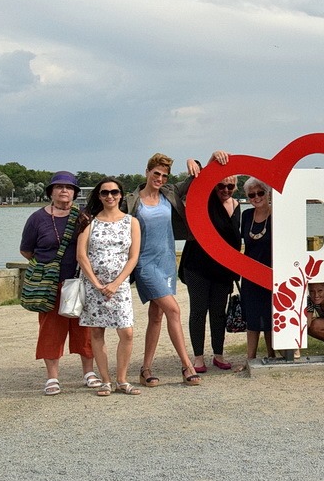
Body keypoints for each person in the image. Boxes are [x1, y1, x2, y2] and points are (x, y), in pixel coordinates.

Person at [126, 150, 228, 387]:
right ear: (147, 172)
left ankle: (146, 369)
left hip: (167, 262)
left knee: (156, 316)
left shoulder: (169, 193)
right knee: (174, 310)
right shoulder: (133, 201)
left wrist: (198, 160)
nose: (160, 179)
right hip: (145, 264)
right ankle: (187, 365)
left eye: (164, 175)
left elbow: (198, 179)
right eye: (156, 173)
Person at [19, 171, 99, 396]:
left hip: (78, 281)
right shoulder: (37, 218)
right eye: (59, 187)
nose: (64, 190)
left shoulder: (83, 217)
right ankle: (52, 377)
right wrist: (49, 267)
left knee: (84, 328)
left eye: (69, 187)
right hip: (50, 284)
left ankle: (89, 372)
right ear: (51, 192)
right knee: (50, 330)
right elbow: (26, 250)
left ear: (74, 192)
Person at [77, 178, 142, 396]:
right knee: (97, 332)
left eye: (114, 192)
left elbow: (133, 257)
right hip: (94, 286)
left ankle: (122, 380)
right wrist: (96, 284)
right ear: (99, 196)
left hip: (120, 286)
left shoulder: (131, 222)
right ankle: (105, 380)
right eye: (105, 193)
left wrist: (116, 283)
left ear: (121, 195)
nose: (110, 196)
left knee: (127, 332)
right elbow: (81, 255)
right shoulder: (89, 221)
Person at [179, 176, 241, 372]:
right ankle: (198, 357)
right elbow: (197, 182)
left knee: (218, 313)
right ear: (213, 186)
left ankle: (218, 354)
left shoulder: (237, 205)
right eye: (221, 185)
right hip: (197, 265)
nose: (225, 190)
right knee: (198, 311)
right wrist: (199, 162)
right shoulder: (205, 201)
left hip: (222, 268)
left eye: (230, 186)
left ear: (235, 187)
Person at [240, 177, 287, 365]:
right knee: (252, 318)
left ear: (268, 193)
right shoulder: (246, 216)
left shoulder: (278, 214)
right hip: (250, 274)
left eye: (260, 193)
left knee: (270, 316)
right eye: (251, 195)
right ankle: (250, 359)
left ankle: (271, 354)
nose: (256, 197)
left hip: (272, 273)